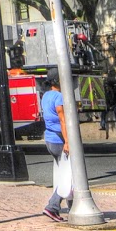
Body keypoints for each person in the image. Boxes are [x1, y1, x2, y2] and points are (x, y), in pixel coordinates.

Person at [40, 75, 70, 222]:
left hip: (49, 139)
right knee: (70, 176)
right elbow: (63, 120)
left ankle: (72, 208)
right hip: (59, 140)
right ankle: (52, 207)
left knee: (64, 174)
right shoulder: (59, 97)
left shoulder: (46, 96)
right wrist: (68, 142)